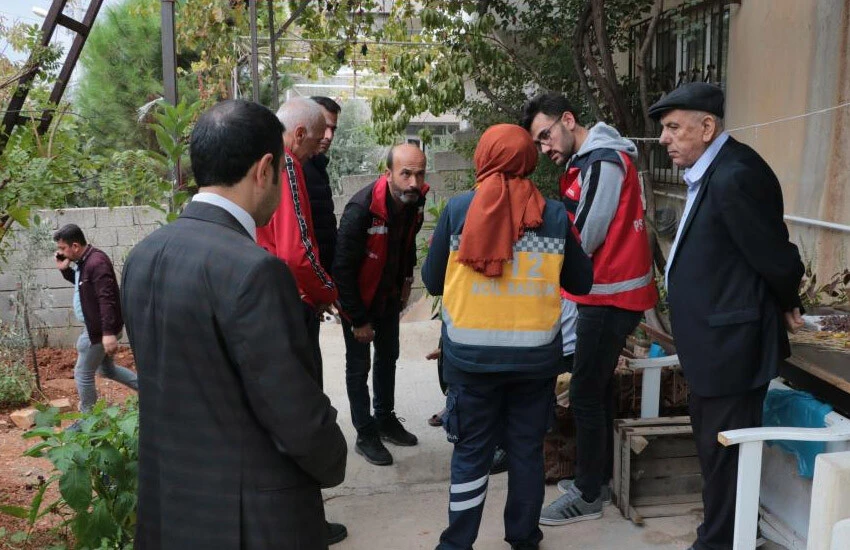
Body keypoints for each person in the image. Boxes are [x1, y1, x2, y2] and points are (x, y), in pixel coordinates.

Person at [121, 99, 347, 550]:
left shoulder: (142, 257)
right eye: (283, 174)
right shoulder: (255, 271)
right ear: (265, 169)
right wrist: (333, 457)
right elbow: (293, 413)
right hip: (250, 520)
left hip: (171, 510)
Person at [648, 82, 804, 550]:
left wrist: (787, 296)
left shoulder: (736, 173)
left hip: (731, 347)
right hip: (714, 345)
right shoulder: (711, 169)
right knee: (717, 453)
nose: (664, 138)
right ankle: (726, 533)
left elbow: (773, 253)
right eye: (664, 129)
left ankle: (717, 542)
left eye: (674, 127)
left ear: (707, 126)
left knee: (726, 455)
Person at [422, 124, 593, 550]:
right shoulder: (554, 215)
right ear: (528, 161)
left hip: (471, 363)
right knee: (525, 453)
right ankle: (523, 537)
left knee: (471, 454)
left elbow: (431, 281)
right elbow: (582, 282)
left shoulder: (459, 209)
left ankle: (457, 543)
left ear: (484, 158)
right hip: (534, 364)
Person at [522, 93, 658, 524]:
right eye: (539, 144)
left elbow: (586, 233)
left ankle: (588, 494)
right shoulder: (589, 161)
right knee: (594, 390)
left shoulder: (601, 160)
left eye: (547, 136)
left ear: (568, 119)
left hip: (611, 296)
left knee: (584, 392)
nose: (546, 149)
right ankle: (595, 477)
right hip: (603, 293)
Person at [333, 143, 428, 466]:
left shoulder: (415, 200)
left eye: (419, 174)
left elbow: (408, 243)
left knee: (389, 356)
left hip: (388, 295)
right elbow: (342, 269)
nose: (414, 182)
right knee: (359, 367)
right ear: (387, 174)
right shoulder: (361, 208)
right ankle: (365, 432)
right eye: (406, 174)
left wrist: (404, 282)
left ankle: (385, 418)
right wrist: (358, 319)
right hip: (358, 300)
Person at [257, 97, 338, 388]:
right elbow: (296, 251)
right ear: (299, 134)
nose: (319, 148)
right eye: (316, 140)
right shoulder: (287, 164)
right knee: (308, 390)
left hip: (267, 296)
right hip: (293, 299)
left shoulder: (259, 159)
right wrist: (327, 290)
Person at [53, 224, 137, 416]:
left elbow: (106, 298)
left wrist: (107, 333)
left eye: (62, 248)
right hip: (99, 329)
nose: (60, 253)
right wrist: (65, 270)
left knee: (82, 374)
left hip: (99, 332)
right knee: (107, 370)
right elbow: (84, 286)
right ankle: (149, 392)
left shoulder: (96, 263)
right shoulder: (85, 261)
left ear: (75, 246)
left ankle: (88, 420)